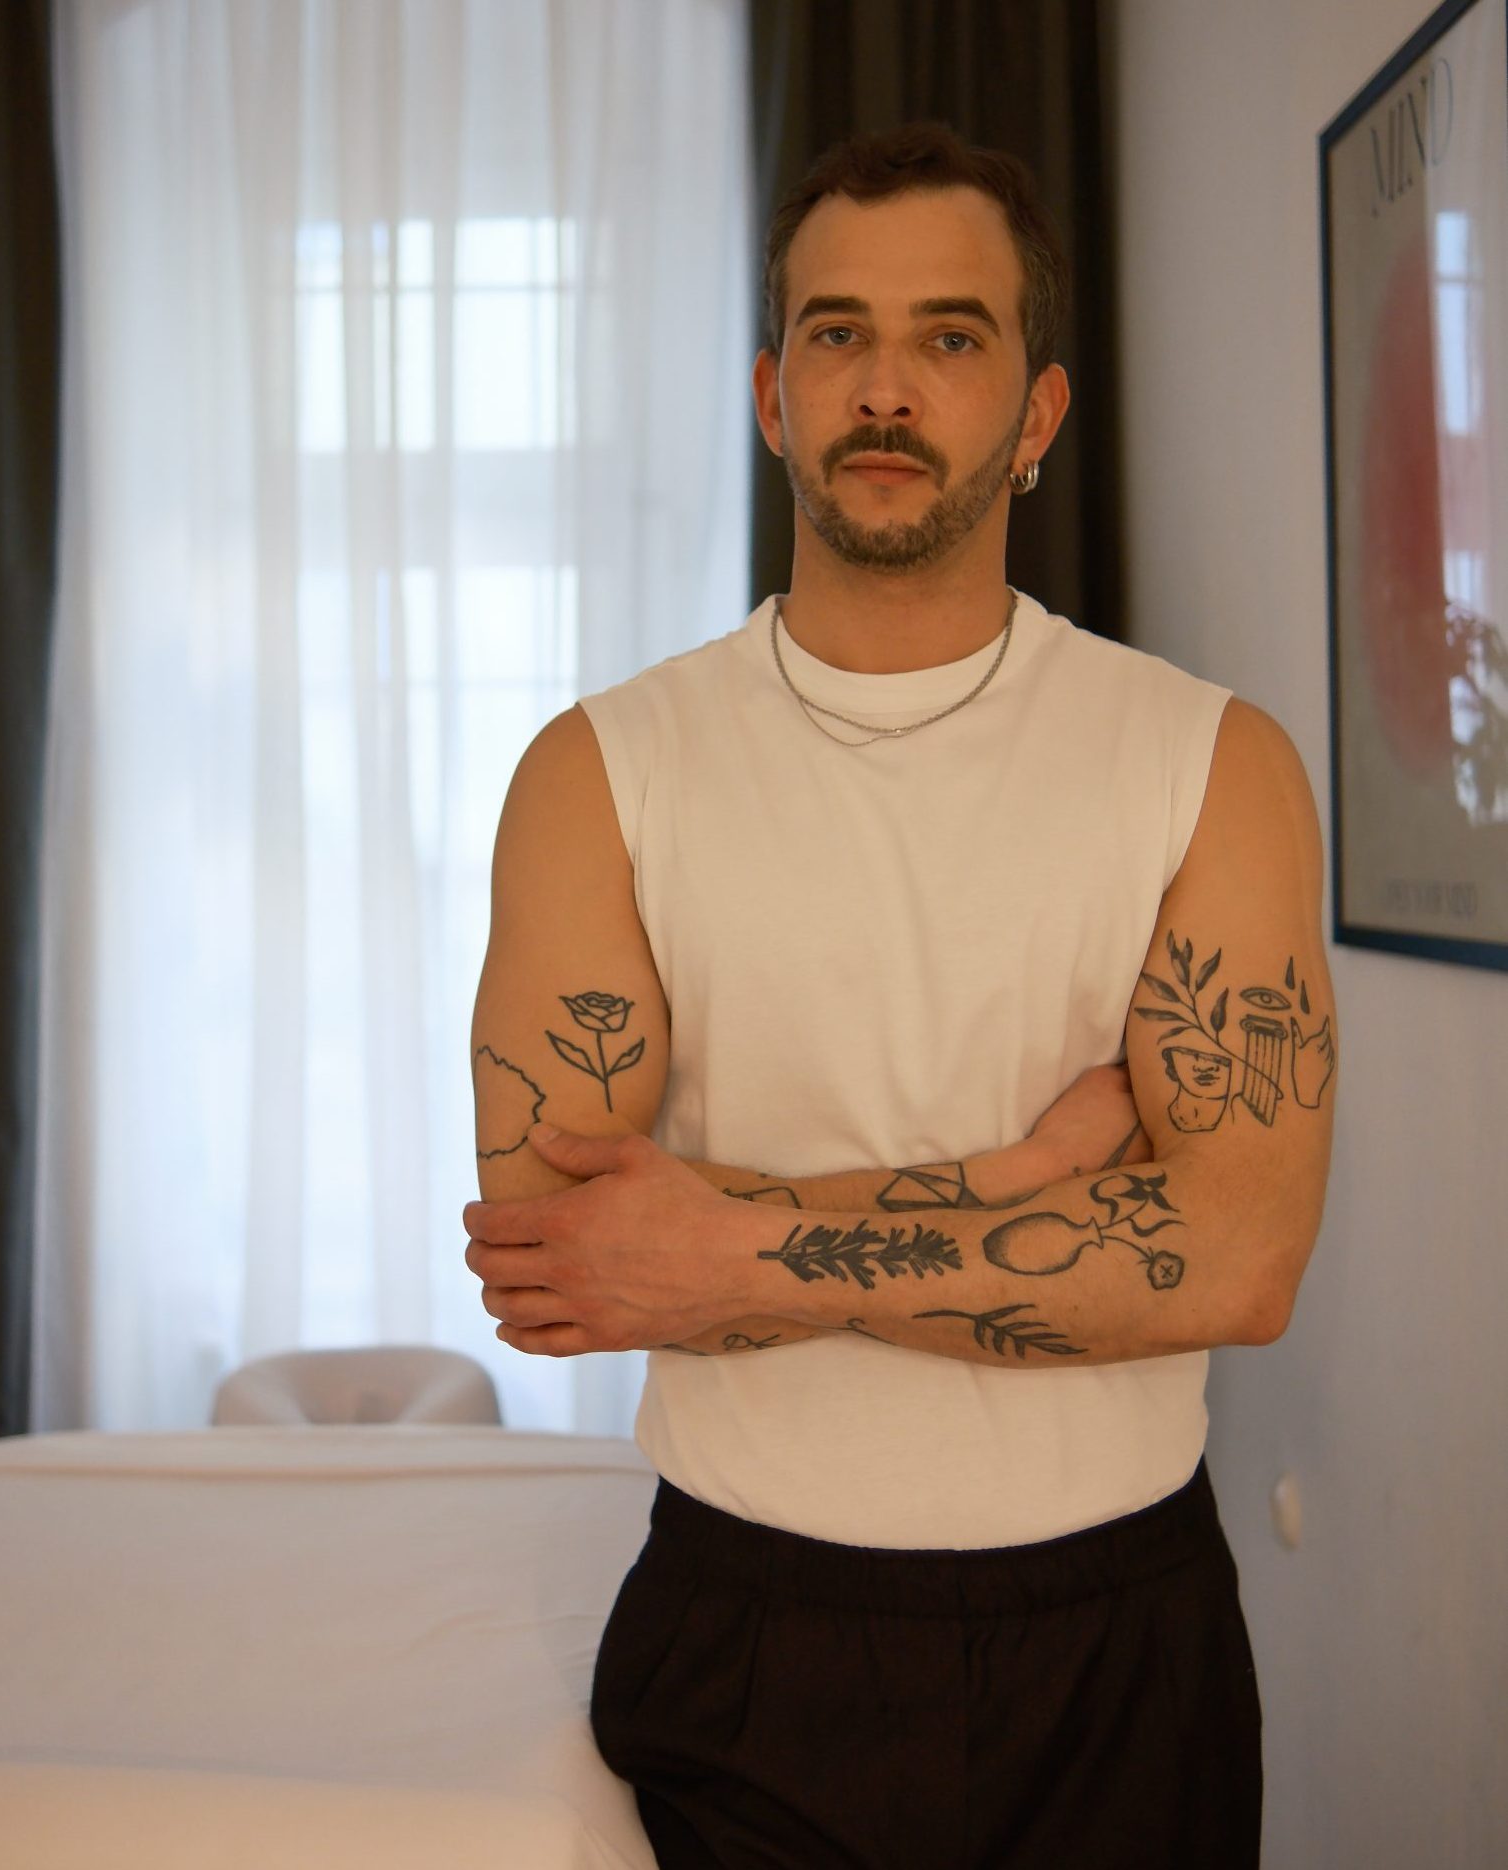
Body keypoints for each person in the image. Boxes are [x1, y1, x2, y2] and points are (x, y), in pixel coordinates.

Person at [463, 120, 1336, 1870]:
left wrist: (733, 1246)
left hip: (1120, 1633)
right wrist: (1027, 1186)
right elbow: (567, 1259)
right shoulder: (598, 772)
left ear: (1036, 414)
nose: (887, 385)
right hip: (746, 1622)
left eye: (951, 336)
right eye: (839, 335)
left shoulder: (1210, 764)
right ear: (775, 395)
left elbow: (1236, 1263)